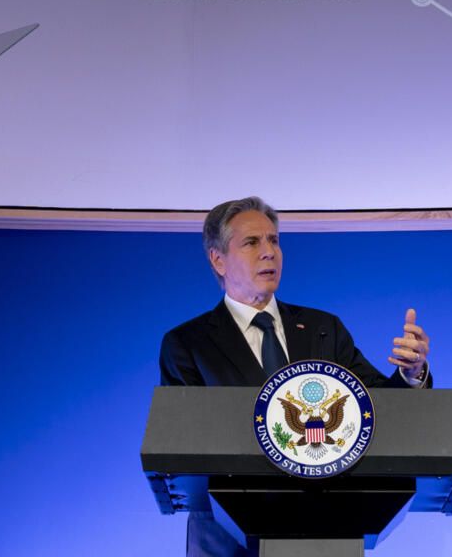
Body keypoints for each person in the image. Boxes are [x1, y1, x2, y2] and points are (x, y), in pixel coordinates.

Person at [158, 196, 431, 557]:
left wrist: (411, 374)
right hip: (227, 539)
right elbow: (184, 447)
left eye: (274, 240)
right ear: (218, 259)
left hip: (324, 529)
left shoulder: (322, 329)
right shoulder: (188, 344)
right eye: (251, 242)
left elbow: (379, 406)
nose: (268, 252)